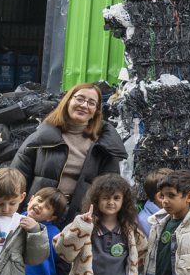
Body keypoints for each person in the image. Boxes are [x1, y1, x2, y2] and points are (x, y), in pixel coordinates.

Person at [13, 82, 126, 223]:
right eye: (79, 99)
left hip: (78, 219)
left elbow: (110, 190)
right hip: (36, 215)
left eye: (91, 103)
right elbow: (16, 177)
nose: (84, 105)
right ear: (68, 101)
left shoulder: (104, 146)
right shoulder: (43, 136)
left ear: (96, 111)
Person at [57, 173, 148, 275]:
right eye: (106, 197)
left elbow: (143, 256)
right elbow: (64, 251)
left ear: (124, 201)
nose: (111, 202)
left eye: (116, 198)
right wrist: (81, 227)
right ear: (96, 199)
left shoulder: (130, 230)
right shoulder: (84, 223)